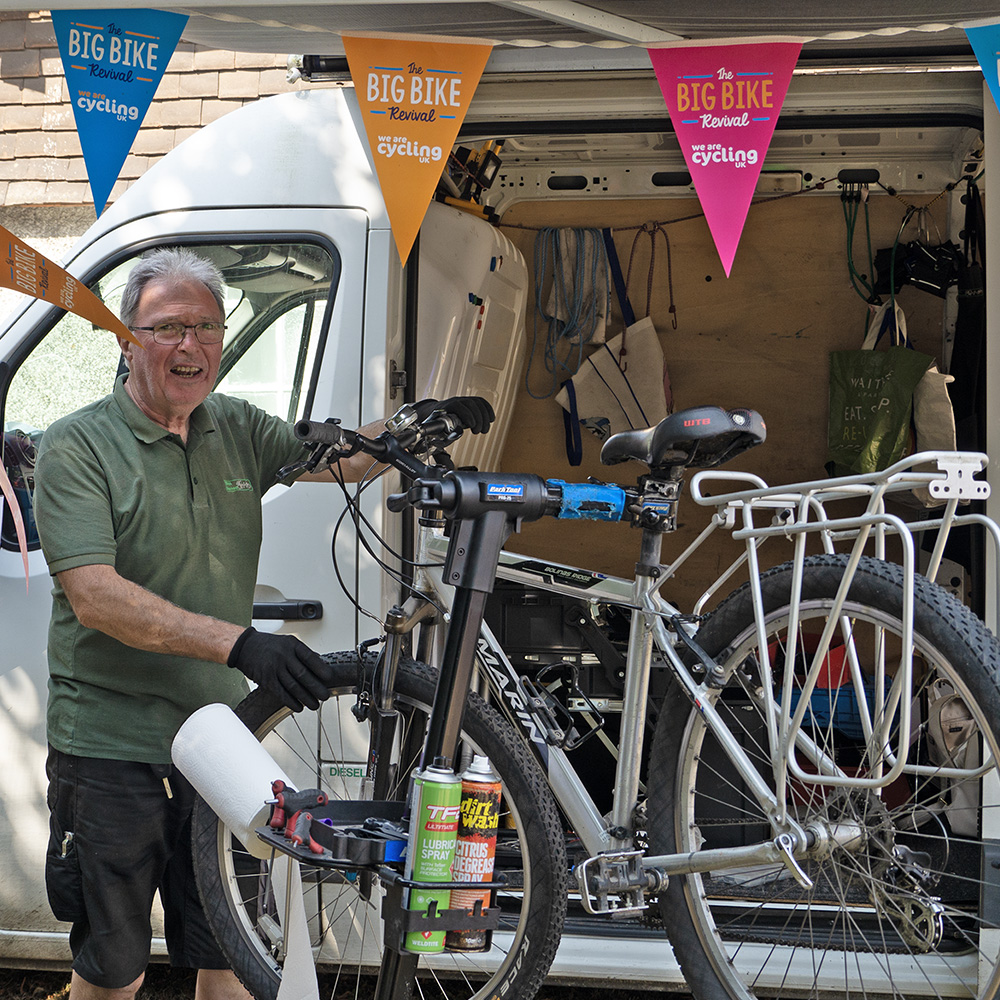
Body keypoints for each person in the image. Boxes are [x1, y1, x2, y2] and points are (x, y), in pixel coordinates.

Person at [32, 247, 494, 1000]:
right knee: (114, 964)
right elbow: (96, 596)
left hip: (222, 741)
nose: (191, 346)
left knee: (233, 952)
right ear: (125, 336)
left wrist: (411, 427)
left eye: (207, 326)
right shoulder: (78, 445)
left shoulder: (235, 425)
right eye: (169, 327)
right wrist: (241, 643)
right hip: (112, 747)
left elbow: (336, 457)